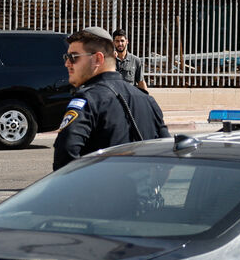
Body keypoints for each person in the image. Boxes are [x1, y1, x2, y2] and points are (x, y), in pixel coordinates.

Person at [53, 27, 170, 171]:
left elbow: (64, 160)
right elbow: (167, 155)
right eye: (66, 57)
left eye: (73, 57)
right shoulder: (148, 101)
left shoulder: (87, 100)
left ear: (97, 59)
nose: (67, 64)